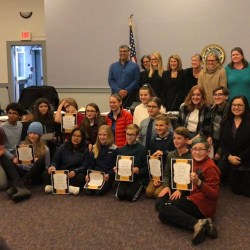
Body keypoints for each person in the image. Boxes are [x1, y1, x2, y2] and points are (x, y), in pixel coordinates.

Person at [157, 137, 220, 245]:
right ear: (191, 151)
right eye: (194, 149)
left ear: (208, 151)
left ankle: (197, 223)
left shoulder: (211, 167)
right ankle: (203, 223)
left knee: (166, 207)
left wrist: (199, 183)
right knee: (162, 216)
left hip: (204, 205)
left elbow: (214, 195)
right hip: (195, 198)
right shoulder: (192, 162)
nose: (197, 152)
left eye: (201, 150)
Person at [44, 127, 90, 195]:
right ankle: (70, 188)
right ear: (71, 136)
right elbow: (55, 160)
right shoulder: (63, 147)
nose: (76, 138)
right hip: (61, 173)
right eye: (74, 135)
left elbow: (84, 166)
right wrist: (53, 166)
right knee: (45, 173)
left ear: (82, 138)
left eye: (79, 136)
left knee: (81, 177)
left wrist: (76, 171)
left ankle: (54, 187)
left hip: (73, 174)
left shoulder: (85, 150)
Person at [219, 95, 250, 196]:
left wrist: (240, 158)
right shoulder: (225, 120)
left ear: (245, 106)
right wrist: (229, 157)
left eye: (240, 105)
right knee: (236, 190)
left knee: (247, 191)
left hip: (247, 160)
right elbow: (222, 141)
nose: (236, 107)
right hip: (231, 160)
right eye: (234, 105)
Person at [156, 127, 191, 205]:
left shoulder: (191, 156)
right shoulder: (170, 154)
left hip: (186, 188)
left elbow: (192, 179)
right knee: (159, 204)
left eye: (179, 138)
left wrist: (181, 190)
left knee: (170, 205)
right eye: (174, 138)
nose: (175, 141)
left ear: (186, 140)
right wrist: (166, 186)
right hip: (172, 186)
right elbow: (166, 174)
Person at [114, 124, 148, 201]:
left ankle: (142, 187)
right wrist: (116, 169)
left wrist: (138, 170)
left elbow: (147, 169)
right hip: (125, 178)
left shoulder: (142, 150)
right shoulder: (121, 150)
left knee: (130, 196)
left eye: (132, 135)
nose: (129, 137)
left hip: (138, 178)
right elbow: (117, 165)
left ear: (137, 136)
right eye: (127, 134)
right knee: (120, 196)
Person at [145, 114, 175, 199]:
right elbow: (153, 161)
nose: (158, 128)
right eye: (156, 125)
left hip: (169, 173)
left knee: (157, 194)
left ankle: (170, 187)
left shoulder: (173, 139)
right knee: (149, 193)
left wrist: (164, 153)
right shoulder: (153, 141)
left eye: (161, 125)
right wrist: (155, 178)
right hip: (158, 173)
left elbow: (176, 156)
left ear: (168, 126)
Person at [0, 128, 31, 202]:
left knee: (2, 185)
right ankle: (20, 186)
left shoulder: (0, 131)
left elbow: (2, 150)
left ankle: (19, 186)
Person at [85, 125, 117, 196]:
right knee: (88, 192)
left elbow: (115, 167)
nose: (102, 137)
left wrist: (109, 174)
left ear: (109, 136)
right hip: (95, 175)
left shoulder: (115, 149)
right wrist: (88, 175)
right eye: (100, 135)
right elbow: (90, 165)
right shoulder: (94, 147)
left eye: (104, 135)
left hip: (107, 176)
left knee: (98, 192)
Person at [210, 86, 230, 163]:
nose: (217, 97)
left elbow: (227, 134)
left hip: (224, 145)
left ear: (226, 96)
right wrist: (209, 136)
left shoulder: (230, 111)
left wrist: (220, 151)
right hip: (214, 141)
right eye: (215, 95)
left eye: (220, 94)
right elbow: (211, 126)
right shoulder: (213, 109)